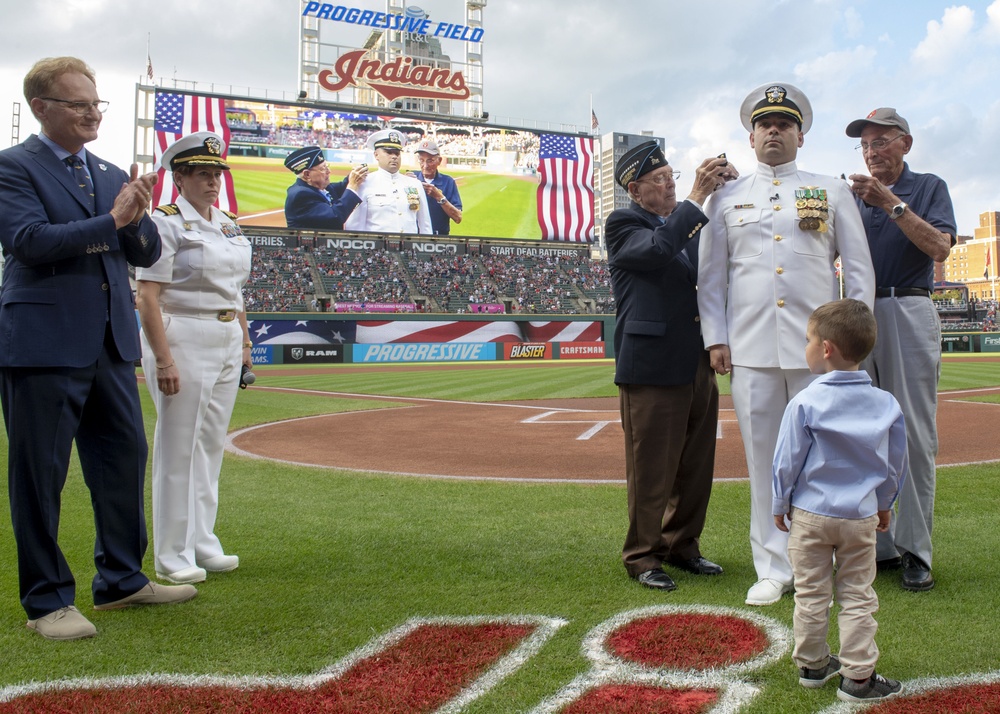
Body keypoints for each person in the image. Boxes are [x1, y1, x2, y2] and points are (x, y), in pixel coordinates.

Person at [0, 56, 197, 641]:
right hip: (44, 343)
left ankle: (121, 578)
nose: (92, 113)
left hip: (110, 342)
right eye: (78, 104)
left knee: (122, 460)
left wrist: (136, 214)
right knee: (41, 474)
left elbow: (142, 250)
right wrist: (113, 219)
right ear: (42, 108)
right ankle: (47, 600)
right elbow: (30, 243)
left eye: (96, 103)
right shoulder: (14, 168)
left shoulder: (112, 170)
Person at [698, 82, 876, 607]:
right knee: (763, 460)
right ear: (750, 137)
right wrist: (716, 339)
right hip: (750, 349)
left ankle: (826, 558)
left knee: (826, 457)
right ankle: (773, 566)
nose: (774, 131)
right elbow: (712, 278)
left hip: (819, 350)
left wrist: (855, 338)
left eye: (784, 125)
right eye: (764, 125)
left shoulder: (831, 190)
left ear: (801, 135)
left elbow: (859, 268)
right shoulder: (726, 197)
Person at [606, 140, 736, 590]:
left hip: (696, 361)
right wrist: (698, 197)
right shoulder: (624, 223)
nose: (671, 185)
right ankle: (643, 556)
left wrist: (724, 194)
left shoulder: (686, 228)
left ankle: (683, 545)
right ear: (635, 189)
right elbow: (657, 251)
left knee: (695, 466)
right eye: (659, 180)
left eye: (672, 178)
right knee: (651, 469)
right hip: (652, 367)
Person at [772, 298, 906, 703]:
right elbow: (894, 462)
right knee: (857, 596)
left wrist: (780, 504)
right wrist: (885, 502)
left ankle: (812, 665)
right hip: (861, 516)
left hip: (810, 515)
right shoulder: (885, 403)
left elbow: (786, 461)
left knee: (811, 592)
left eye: (809, 340)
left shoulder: (805, 401)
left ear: (826, 348)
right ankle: (858, 677)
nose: (807, 347)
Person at [845, 108, 956, 592]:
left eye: (881, 142)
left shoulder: (928, 186)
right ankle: (881, 546)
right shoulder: (850, 197)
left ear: (905, 144)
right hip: (858, 313)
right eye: (865, 146)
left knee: (911, 432)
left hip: (907, 307)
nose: (872, 153)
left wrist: (890, 202)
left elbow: (939, 248)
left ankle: (916, 550)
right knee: (862, 434)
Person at [136, 132, 253, 585]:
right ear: (179, 177)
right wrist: (163, 360)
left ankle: (203, 539)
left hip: (225, 333)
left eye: (217, 173)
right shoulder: (164, 223)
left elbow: (236, 292)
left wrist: (243, 343)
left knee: (209, 445)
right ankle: (171, 551)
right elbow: (147, 295)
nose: (213, 181)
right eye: (202, 174)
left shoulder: (228, 223)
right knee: (178, 445)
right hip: (183, 331)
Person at [344, 129, 432, 235]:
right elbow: (355, 226)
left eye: (397, 153)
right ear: (376, 155)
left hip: (408, 248)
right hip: (376, 249)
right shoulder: (364, 183)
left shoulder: (414, 184)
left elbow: (425, 225)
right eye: (389, 152)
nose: (394, 156)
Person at [284, 146, 367, 231]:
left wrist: (356, 173)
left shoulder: (319, 187)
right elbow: (335, 217)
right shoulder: (300, 196)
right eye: (323, 169)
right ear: (307, 175)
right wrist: (352, 185)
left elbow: (342, 186)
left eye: (327, 166)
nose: (329, 171)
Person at [412, 138, 462, 235]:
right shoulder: (411, 179)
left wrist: (439, 197)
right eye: (421, 160)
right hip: (414, 237)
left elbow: (458, 218)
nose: (425, 165)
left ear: (439, 161)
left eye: (430, 161)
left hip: (439, 239)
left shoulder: (448, 182)